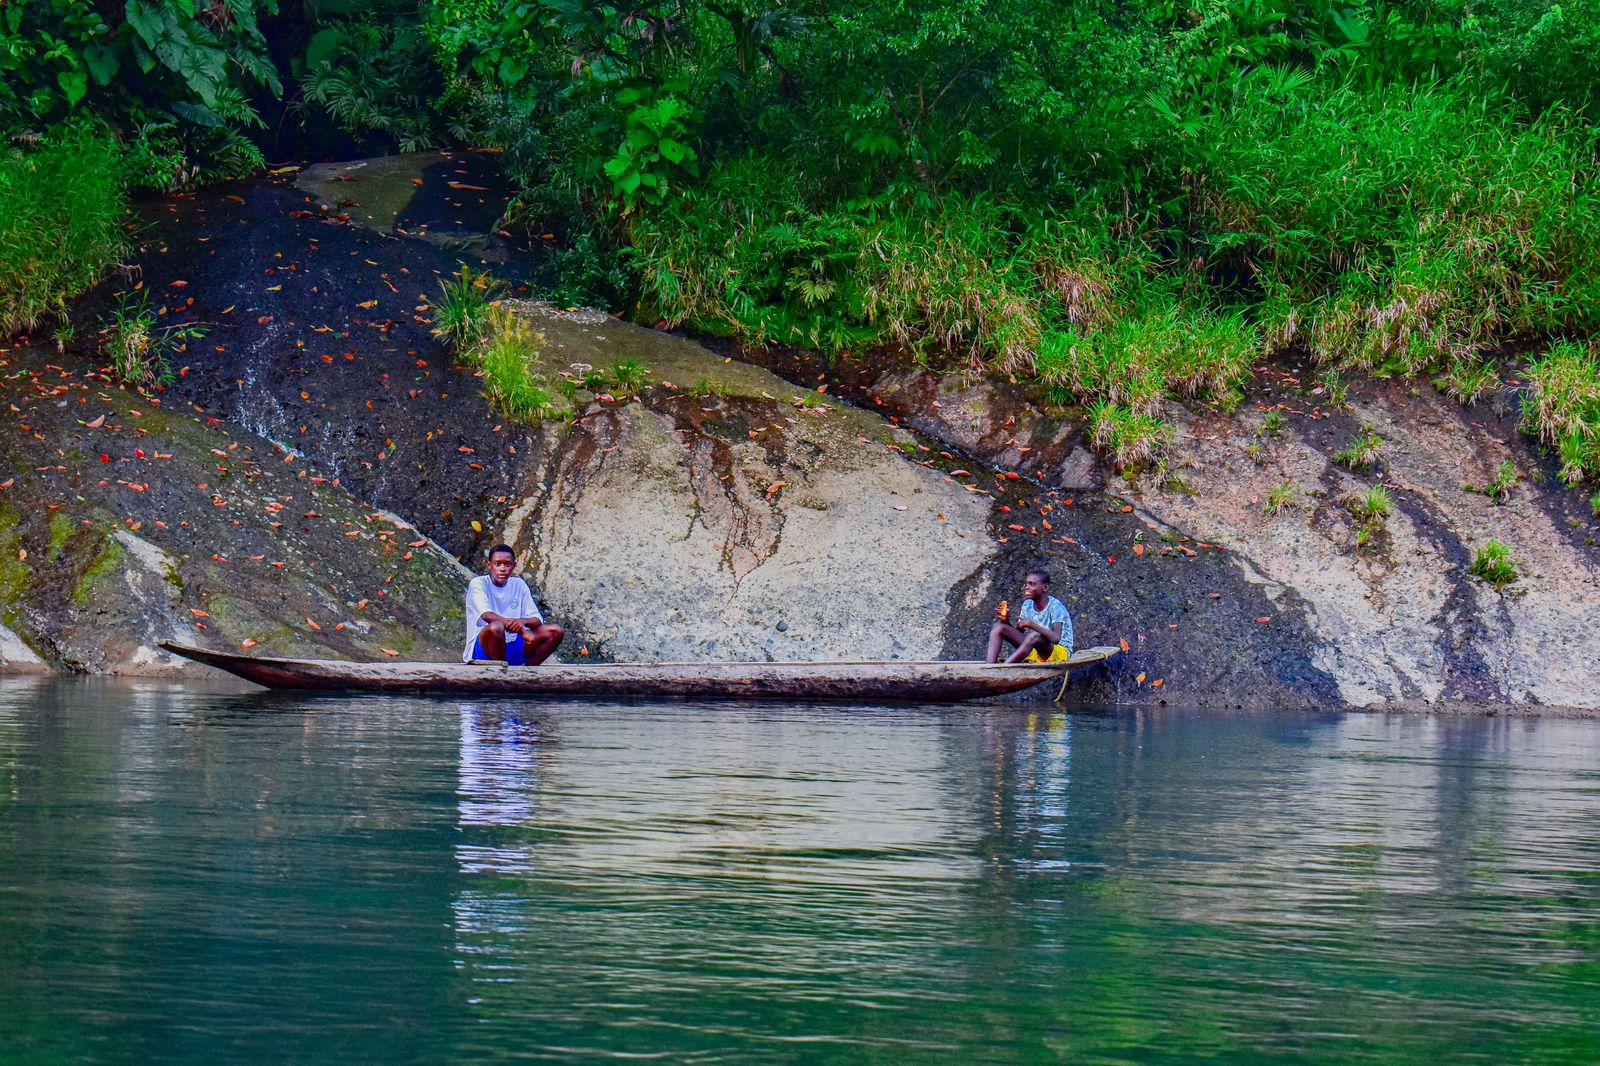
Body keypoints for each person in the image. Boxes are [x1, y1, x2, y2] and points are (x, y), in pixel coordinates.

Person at [463, 544, 564, 665]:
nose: (503, 568)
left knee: (555, 631)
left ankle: (529, 672)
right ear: (489, 565)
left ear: (514, 566)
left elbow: (537, 620)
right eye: (497, 564)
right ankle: (500, 673)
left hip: (513, 645)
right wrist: (522, 631)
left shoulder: (519, 584)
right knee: (496, 627)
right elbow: (486, 615)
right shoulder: (478, 583)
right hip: (485, 650)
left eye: (507, 564)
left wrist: (522, 621)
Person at [986, 568, 1073, 664]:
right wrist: (1005, 621)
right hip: (1036, 649)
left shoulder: (1055, 606)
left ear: (1045, 588)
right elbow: (1018, 632)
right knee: (998, 627)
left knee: (1035, 636)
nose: (1027, 587)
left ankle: (1004, 668)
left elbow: (1056, 639)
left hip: (1059, 654)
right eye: (1026, 584)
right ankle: (989, 666)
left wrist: (1030, 624)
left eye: (1032, 584)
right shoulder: (1027, 605)